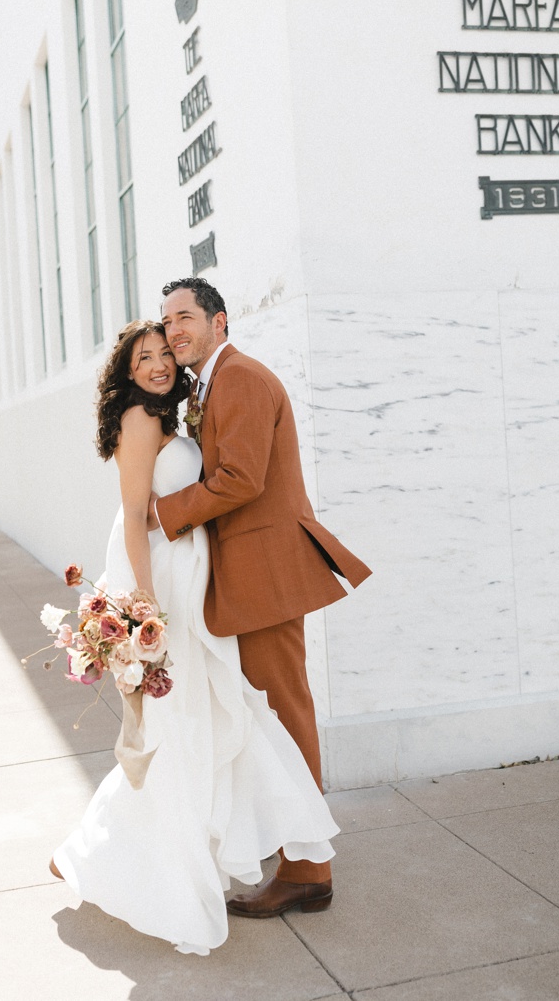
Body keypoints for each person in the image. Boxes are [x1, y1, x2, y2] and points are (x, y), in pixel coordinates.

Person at [50, 319, 341, 955]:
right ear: (125, 374)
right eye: (145, 356)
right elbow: (134, 520)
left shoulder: (197, 401)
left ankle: (289, 858)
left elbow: (225, 484)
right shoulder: (140, 420)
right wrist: (144, 605)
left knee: (205, 718)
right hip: (170, 594)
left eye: (165, 348)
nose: (159, 361)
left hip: (199, 586)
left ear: (216, 323)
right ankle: (111, 850)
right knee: (182, 722)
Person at [150, 277, 372, 917]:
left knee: (283, 715)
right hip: (248, 576)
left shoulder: (241, 378)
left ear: (221, 321)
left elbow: (241, 479)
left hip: (266, 573)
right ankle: (296, 855)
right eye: (167, 322)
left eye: (185, 317)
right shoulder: (211, 384)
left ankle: (307, 869)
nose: (174, 331)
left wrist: (162, 517)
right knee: (271, 715)